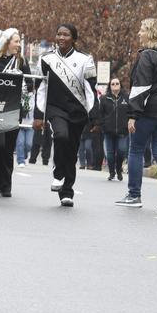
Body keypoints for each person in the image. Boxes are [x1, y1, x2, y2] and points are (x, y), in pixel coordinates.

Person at [115, 18, 157, 211]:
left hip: (149, 112)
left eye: (142, 30)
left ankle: (134, 195)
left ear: (151, 33)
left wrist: (133, 114)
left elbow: (141, 87)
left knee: (136, 150)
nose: (139, 33)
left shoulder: (148, 56)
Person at [33, 23, 98, 207]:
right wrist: (39, 115)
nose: (61, 38)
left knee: (71, 150)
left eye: (66, 35)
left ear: (74, 39)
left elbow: (90, 91)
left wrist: (95, 116)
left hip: (77, 111)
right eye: (59, 34)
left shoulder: (86, 59)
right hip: (55, 109)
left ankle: (67, 191)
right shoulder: (46, 59)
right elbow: (41, 89)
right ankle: (58, 173)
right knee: (61, 136)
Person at [0, 28, 30, 197]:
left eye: (19, 41)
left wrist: (23, 87)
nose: (18, 44)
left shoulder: (22, 63)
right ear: (7, 42)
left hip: (14, 109)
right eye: (16, 41)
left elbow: (32, 84)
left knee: (8, 148)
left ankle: (6, 184)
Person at [97, 77, 129, 181]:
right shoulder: (104, 98)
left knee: (121, 151)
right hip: (108, 131)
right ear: (110, 86)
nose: (115, 85)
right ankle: (112, 172)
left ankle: (118, 169)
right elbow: (100, 114)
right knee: (109, 154)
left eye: (117, 83)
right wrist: (103, 126)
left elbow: (131, 112)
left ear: (120, 85)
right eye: (113, 84)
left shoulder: (126, 98)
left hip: (122, 131)